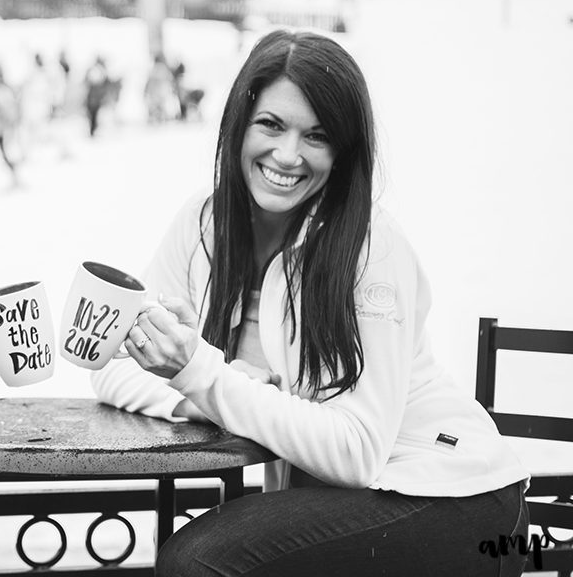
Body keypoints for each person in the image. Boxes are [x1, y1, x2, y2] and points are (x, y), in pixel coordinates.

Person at [91, 29, 531, 576]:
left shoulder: (370, 247)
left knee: (198, 560)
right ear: (238, 125)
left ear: (342, 153)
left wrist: (203, 373)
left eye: (316, 136)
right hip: (335, 495)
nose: (288, 155)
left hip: (452, 495)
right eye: (271, 125)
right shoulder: (205, 224)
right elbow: (112, 369)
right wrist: (201, 392)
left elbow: (356, 451)